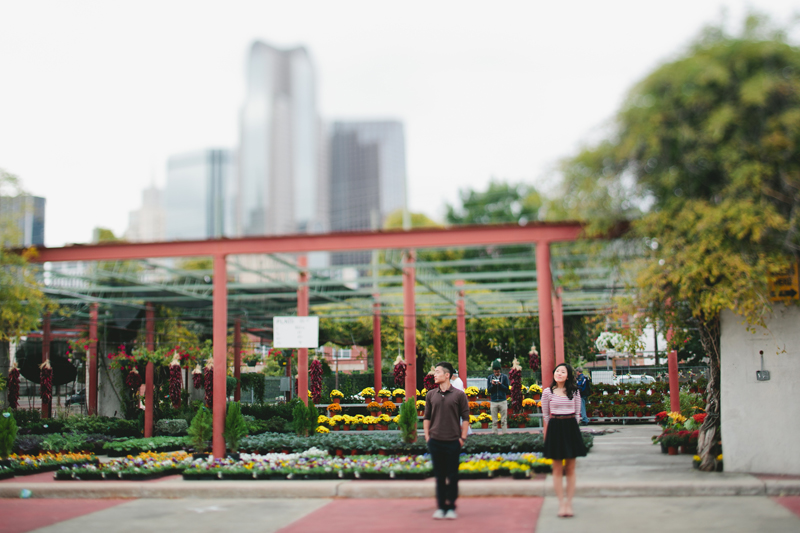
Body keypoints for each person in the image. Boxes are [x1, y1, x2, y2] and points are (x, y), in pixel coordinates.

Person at [424, 362, 470, 520]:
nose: (434, 374)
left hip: (453, 441)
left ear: (447, 375)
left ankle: (451, 506)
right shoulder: (430, 395)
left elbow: (466, 418)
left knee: (452, 475)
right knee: (439, 476)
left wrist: (462, 438)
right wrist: (427, 436)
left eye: (437, 372)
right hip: (435, 441)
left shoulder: (459, 395)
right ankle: (441, 507)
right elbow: (427, 417)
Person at [542, 362, 587, 518]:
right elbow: (546, 415)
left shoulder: (574, 391)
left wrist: (571, 426)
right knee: (557, 468)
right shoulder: (547, 392)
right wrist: (554, 426)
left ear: (568, 375)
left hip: (570, 427)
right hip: (555, 427)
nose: (559, 373)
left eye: (562, 371)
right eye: (557, 371)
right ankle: (561, 504)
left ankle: (569, 503)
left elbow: (577, 414)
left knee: (570, 468)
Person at [486, 360, 509, 434]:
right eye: (495, 372)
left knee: (504, 420)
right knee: (494, 421)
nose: (496, 373)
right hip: (493, 401)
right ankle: (494, 435)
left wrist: (500, 384)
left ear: (500, 370)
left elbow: (507, 389)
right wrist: (492, 384)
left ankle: (505, 434)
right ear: (493, 371)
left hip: (502, 400)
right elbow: (489, 390)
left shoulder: (504, 377)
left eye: (498, 372)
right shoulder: (490, 378)